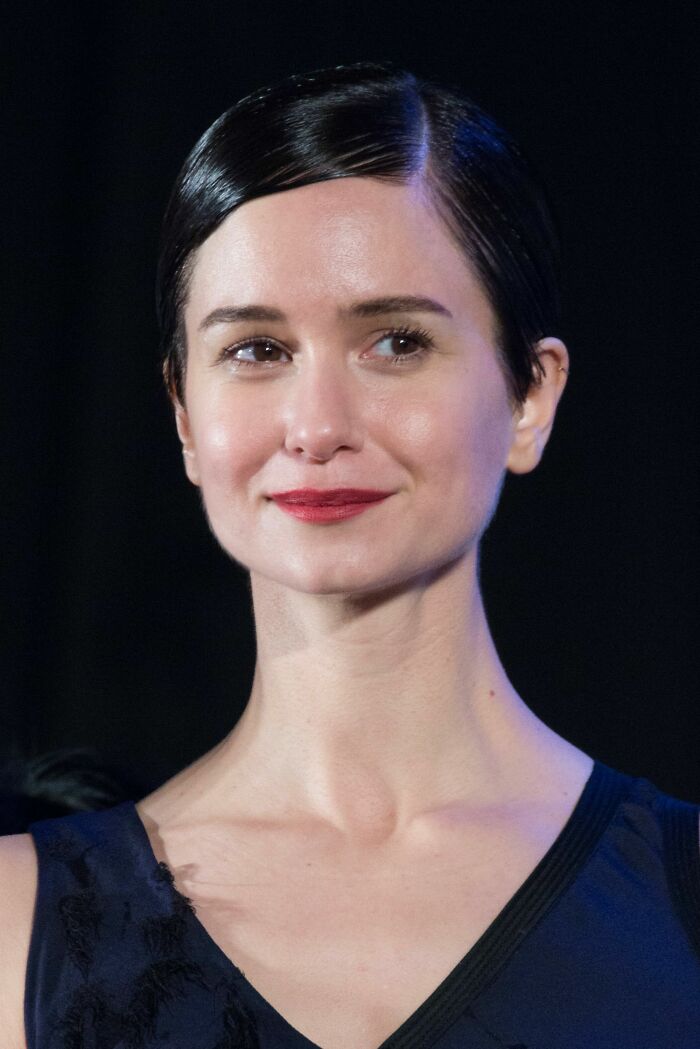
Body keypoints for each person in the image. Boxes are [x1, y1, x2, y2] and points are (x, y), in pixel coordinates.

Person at [1, 61, 698, 1049]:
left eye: (396, 342)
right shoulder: (17, 924)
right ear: (184, 413)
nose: (317, 425)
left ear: (530, 397)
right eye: (257, 350)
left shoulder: (678, 901)